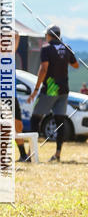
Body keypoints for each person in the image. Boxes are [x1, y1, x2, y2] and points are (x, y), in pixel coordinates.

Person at [28, 25, 79, 162]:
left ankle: (31, 153)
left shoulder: (46, 48)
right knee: (59, 121)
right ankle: (57, 154)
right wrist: (62, 61)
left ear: (49, 35)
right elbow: (75, 65)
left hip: (50, 89)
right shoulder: (66, 47)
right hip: (64, 89)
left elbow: (44, 69)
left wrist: (36, 89)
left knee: (35, 119)